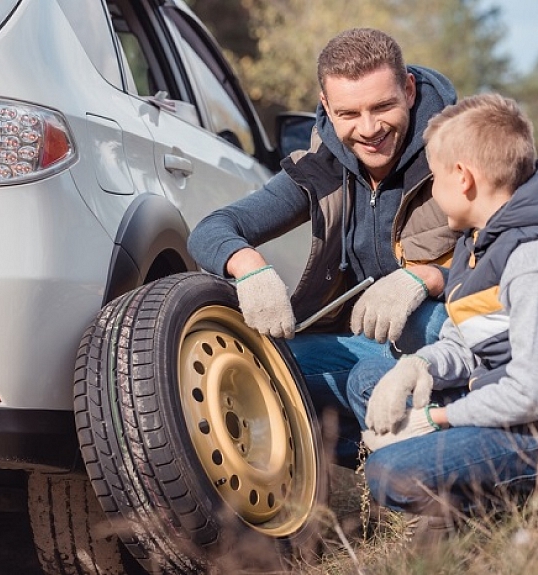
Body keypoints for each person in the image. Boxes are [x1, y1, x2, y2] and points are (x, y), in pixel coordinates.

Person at [186, 28, 459, 466]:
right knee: (267, 370)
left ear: (408, 90)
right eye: (349, 113)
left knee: (416, 324)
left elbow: (517, 258)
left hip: (457, 335)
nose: (369, 129)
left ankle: (469, 446)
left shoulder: (463, 148)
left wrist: (428, 277)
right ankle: (380, 453)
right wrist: (249, 266)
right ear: (327, 107)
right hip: (374, 342)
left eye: (383, 106)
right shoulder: (321, 168)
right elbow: (212, 228)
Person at [347, 93, 538, 535]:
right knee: (370, 380)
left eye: (434, 178)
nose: (432, 191)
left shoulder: (527, 256)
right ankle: (456, 486)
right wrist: (419, 365)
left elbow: (530, 391)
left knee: (389, 474)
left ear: (463, 178)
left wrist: (434, 420)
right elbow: (467, 342)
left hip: (527, 428)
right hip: (498, 402)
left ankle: (492, 511)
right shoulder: (476, 242)